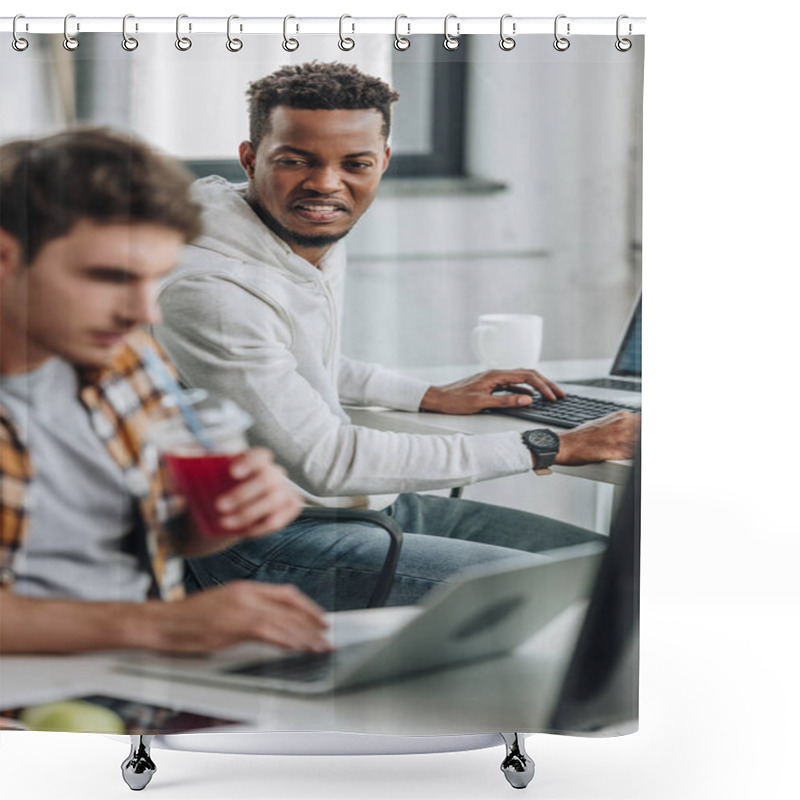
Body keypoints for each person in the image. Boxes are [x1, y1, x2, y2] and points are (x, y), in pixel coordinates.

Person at [155, 62, 640, 611]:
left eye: (354, 163)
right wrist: (553, 444)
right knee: (593, 597)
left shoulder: (287, 232)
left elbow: (294, 358)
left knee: (624, 569)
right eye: (297, 161)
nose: (326, 184)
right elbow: (328, 460)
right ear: (251, 158)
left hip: (356, 507)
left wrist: (428, 395)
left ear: (382, 162)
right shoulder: (211, 288)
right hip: (270, 541)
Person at [0, 128, 330, 656]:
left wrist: (222, 515)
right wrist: (159, 627)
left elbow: (166, 539)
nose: (143, 313)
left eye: (153, 281)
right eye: (110, 277)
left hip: (139, 686)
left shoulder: (126, 360)